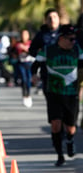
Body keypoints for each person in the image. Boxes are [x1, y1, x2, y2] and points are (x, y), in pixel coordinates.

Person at [32, 24, 83, 166]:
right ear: (61, 38)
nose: (73, 41)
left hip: (71, 93)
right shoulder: (48, 50)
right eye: (71, 39)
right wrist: (34, 75)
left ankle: (70, 139)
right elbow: (35, 64)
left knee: (71, 126)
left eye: (74, 39)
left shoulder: (77, 49)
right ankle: (60, 155)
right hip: (53, 92)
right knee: (55, 124)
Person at [30, 8, 60, 95]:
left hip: (64, 72)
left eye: (54, 17)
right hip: (47, 73)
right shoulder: (41, 35)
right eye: (49, 18)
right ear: (46, 20)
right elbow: (32, 50)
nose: (52, 20)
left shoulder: (65, 34)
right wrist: (40, 53)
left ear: (59, 18)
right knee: (52, 101)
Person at [15, 29, 34, 107]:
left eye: (26, 34)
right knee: (24, 79)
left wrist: (26, 49)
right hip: (21, 63)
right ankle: (24, 95)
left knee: (29, 79)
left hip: (29, 63)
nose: (24, 36)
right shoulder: (17, 44)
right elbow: (14, 52)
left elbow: (33, 51)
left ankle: (29, 95)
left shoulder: (31, 43)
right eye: (22, 34)